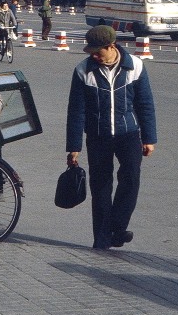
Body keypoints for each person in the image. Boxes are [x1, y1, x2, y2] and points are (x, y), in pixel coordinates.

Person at [66, 25, 157, 250]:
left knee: (131, 179)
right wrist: (74, 146)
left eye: (98, 52)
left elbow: (145, 104)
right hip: (98, 137)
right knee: (101, 188)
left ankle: (117, 227)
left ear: (111, 46)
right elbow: (76, 110)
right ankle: (102, 239)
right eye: (91, 52)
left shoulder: (135, 66)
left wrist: (149, 137)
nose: (94, 56)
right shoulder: (83, 71)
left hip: (129, 134)